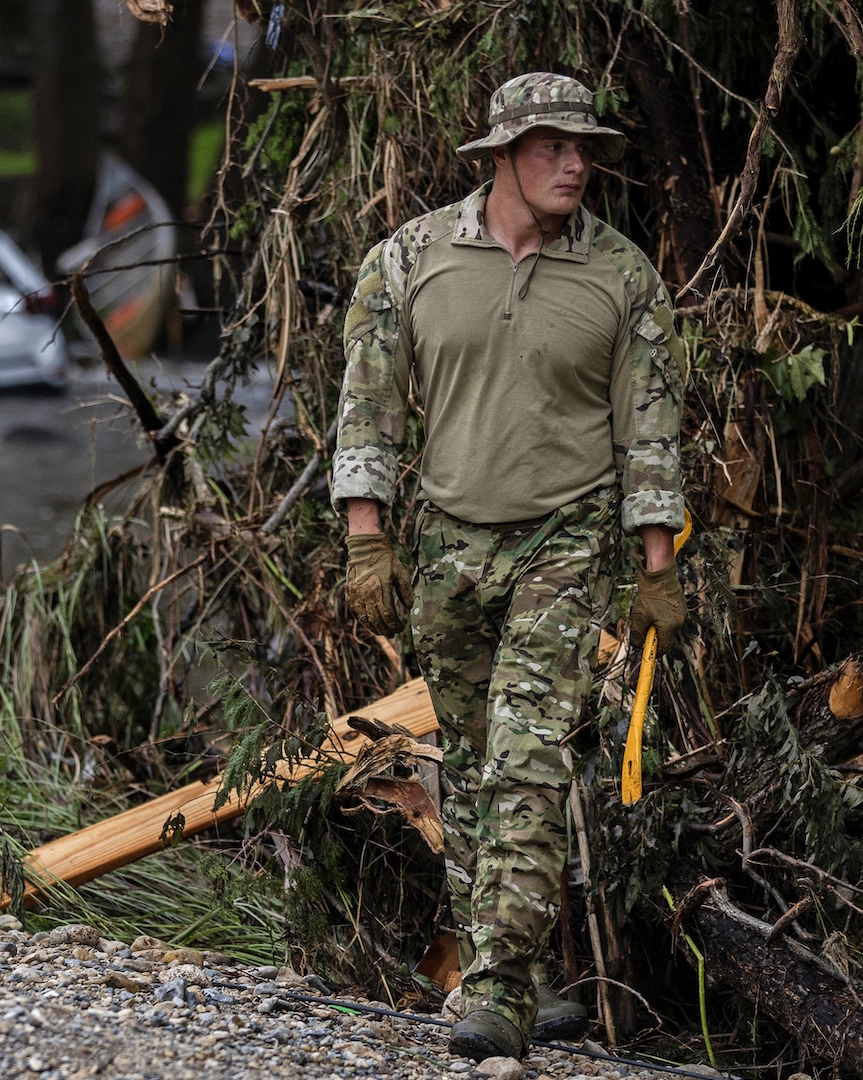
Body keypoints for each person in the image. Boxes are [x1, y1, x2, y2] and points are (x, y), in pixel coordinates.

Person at [332, 72, 687, 1061]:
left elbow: (651, 429)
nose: (575, 163)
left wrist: (656, 563)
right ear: (498, 158)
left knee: (531, 754)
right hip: (448, 540)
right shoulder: (409, 259)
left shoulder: (620, 276)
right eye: (550, 147)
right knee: (481, 766)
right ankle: (519, 978)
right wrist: (368, 539)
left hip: (564, 545)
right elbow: (369, 406)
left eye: (584, 148)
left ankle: (491, 995)